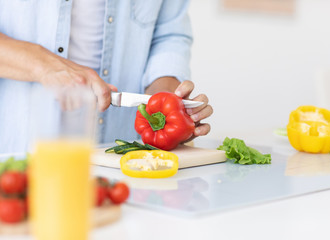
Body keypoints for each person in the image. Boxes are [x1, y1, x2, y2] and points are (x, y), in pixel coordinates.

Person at [0, 0, 213, 153]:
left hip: (116, 159)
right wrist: (43, 65)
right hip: (17, 149)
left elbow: (169, 33)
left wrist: (166, 108)